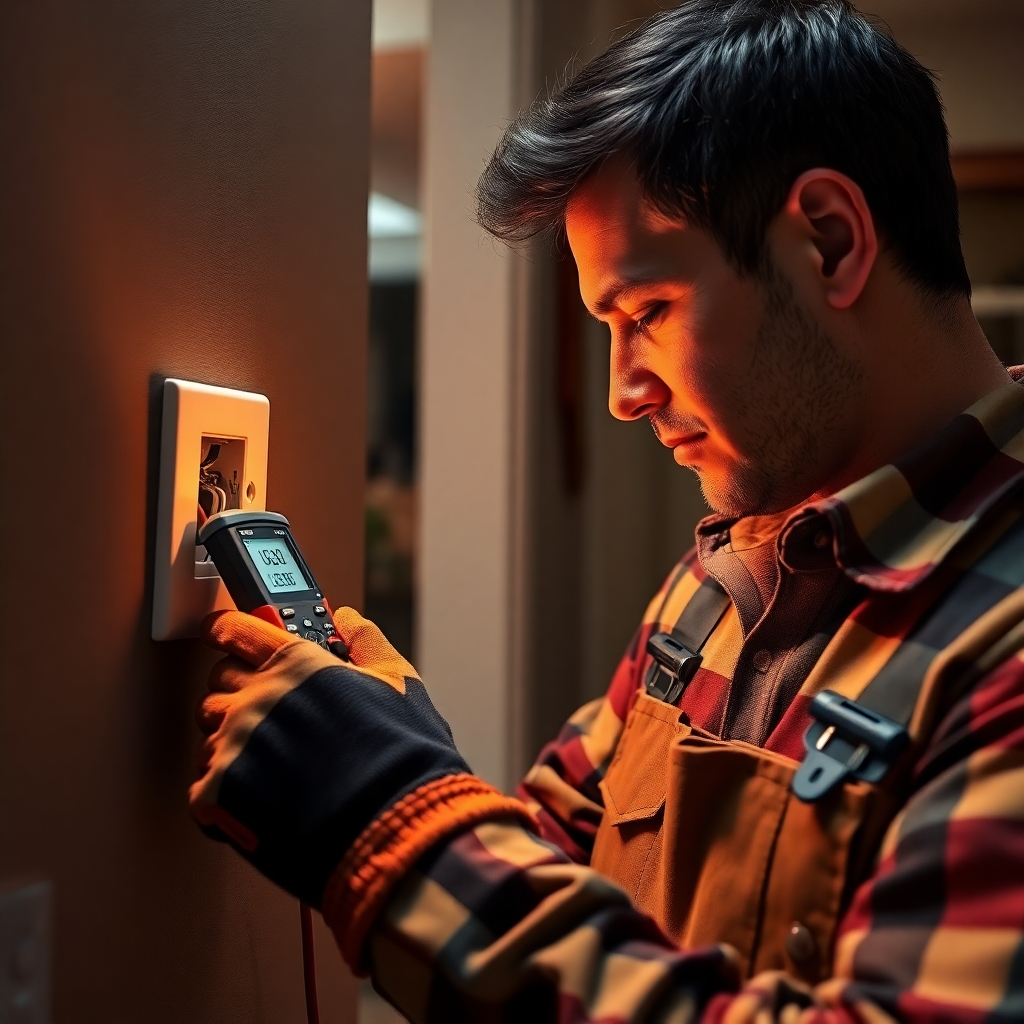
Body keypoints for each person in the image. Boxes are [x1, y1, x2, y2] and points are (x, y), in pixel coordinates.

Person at [191, 2, 1024, 1021]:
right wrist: (395, 745)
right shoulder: (710, 588)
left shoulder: (1001, 644)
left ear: (829, 240)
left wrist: (378, 814)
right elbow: (555, 852)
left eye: (648, 313)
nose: (625, 390)